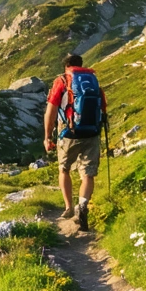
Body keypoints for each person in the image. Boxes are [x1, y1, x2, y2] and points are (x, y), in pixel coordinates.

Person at [43, 53, 106, 231]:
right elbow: (102, 106)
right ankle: (83, 205)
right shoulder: (92, 80)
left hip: (68, 133)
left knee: (64, 169)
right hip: (92, 133)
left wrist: (47, 137)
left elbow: (51, 111)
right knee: (88, 174)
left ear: (66, 66)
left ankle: (69, 207)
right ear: (81, 65)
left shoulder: (62, 80)